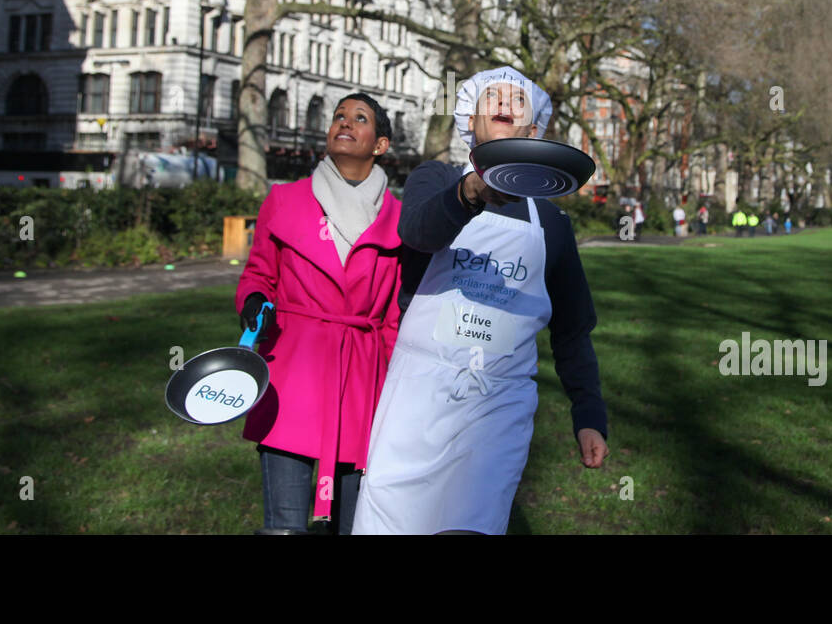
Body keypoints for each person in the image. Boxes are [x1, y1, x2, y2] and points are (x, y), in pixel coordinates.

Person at [352, 66, 608, 535]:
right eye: (494, 96)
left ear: (534, 129)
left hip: (499, 402)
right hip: (420, 393)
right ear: (471, 119)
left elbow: (573, 329)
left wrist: (588, 413)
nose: (506, 102)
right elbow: (418, 233)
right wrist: (469, 193)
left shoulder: (550, 222)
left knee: (473, 524)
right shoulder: (434, 178)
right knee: (391, 519)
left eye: (519, 99)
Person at [234, 93, 403, 534]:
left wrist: (395, 393)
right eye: (339, 116)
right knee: (284, 527)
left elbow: (393, 320)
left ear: (380, 144)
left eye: (359, 118)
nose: (344, 123)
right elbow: (258, 274)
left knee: (352, 526)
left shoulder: (400, 221)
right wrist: (253, 301)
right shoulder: (284, 200)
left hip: (362, 382)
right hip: (292, 371)